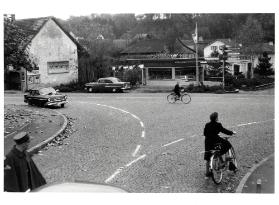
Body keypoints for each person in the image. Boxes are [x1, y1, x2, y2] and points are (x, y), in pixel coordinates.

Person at [203, 112, 236, 177]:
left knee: (208, 156)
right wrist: (232, 132)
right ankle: (221, 155)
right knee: (228, 144)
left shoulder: (207, 124)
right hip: (215, 140)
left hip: (207, 142)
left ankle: (207, 172)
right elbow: (224, 130)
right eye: (217, 117)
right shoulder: (218, 124)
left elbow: (204, 133)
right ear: (216, 118)